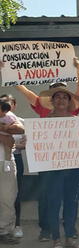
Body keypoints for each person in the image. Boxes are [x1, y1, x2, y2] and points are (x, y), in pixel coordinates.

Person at [39, 83, 79, 248]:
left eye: (64, 97)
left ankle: (69, 237)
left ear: (69, 102)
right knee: (53, 203)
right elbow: (38, 145)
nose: (61, 100)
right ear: (52, 101)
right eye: (57, 97)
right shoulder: (44, 123)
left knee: (71, 202)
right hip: (52, 170)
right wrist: (27, 144)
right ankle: (55, 239)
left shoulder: (77, 122)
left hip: (73, 169)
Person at [0, 94, 26, 239]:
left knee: (8, 197)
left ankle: (5, 230)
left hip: (6, 161)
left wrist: (5, 130)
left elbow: (20, 129)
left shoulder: (10, 116)